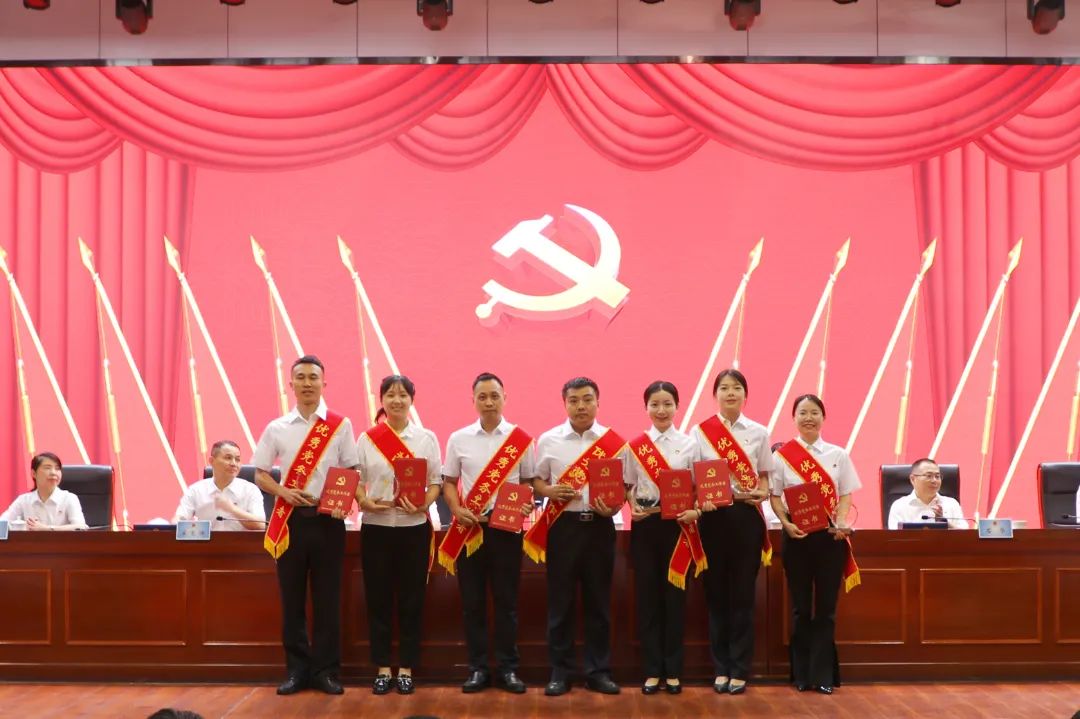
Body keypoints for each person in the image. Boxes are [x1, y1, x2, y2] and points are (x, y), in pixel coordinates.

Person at [253, 355, 359, 697]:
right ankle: (297, 671)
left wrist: (343, 499)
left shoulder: (340, 425)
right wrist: (283, 491)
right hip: (291, 523)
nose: (307, 383)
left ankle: (326, 671)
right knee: (292, 599)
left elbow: (352, 469)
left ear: (324, 383)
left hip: (329, 522)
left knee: (328, 600)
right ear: (291, 384)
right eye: (301, 377)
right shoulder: (277, 427)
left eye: (314, 377)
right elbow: (260, 473)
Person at [526, 377, 625, 697]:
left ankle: (599, 672)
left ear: (598, 402)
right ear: (565, 403)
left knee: (599, 603)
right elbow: (536, 481)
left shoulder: (614, 443)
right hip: (563, 527)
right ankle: (561, 672)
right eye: (574, 400)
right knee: (561, 603)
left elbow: (624, 487)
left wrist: (614, 506)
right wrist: (549, 491)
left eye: (587, 399)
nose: (581, 406)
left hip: (599, 527)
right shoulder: (549, 440)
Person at [439, 372, 536, 695]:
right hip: (472, 529)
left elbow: (528, 482)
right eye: (482, 397)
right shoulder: (459, 438)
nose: (489, 402)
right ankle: (478, 668)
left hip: (507, 530)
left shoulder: (521, 440)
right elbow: (449, 482)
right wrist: (455, 509)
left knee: (507, 602)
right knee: (473, 603)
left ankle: (508, 669)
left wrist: (526, 502)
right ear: (473, 401)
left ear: (505, 398)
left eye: (495, 396)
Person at [355, 374, 442, 696]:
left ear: (411, 400)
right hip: (376, 528)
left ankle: (406, 668)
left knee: (411, 600)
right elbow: (356, 480)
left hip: (413, 529)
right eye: (390, 395)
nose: (396, 400)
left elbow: (435, 482)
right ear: (381, 400)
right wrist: (363, 501)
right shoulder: (367, 439)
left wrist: (424, 503)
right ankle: (382, 668)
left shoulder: (426, 438)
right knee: (377, 599)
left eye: (403, 395)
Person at [769, 394, 861, 695]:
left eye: (814, 412)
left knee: (826, 608)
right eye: (803, 413)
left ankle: (823, 675)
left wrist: (841, 519)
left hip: (829, 538)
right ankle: (801, 674)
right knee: (800, 608)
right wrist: (786, 523)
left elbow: (845, 492)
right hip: (797, 537)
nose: (808, 418)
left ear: (823, 417)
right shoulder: (782, 456)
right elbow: (775, 496)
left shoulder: (838, 455)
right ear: (793, 418)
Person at [692, 369, 772, 695]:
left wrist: (761, 492)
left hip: (745, 518)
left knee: (742, 596)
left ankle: (740, 668)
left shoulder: (759, 432)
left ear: (744, 394)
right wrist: (702, 498)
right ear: (715, 395)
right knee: (716, 596)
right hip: (713, 519)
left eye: (736, 387)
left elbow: (765, 477)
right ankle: (721, 667)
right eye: (724, 388)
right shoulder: (700, 432)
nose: (730, 393)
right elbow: (694, 479)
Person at [625, 381, 703, 696]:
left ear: (677, 407)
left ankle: (673, 671)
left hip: (678, 528)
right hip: (646, 526)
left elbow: (700, 488)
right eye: (655, 404)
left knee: (675, 601)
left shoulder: (690, 445)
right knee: (648, 600)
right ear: (646, 407)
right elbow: (628, 486)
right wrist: (631, 505)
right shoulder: (635, 446)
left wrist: (696, 511)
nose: (661, 410)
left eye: (667, 403)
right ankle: (651, 670)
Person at [172, 440, 266, 530]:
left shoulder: (250, 490)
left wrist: (232, 509)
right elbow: (180, 518)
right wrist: (175, 524)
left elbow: (261, 525)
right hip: (207, 541)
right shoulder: (196, 490)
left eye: (237, 459)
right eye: (228, 458)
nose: (234, 463)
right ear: (212, 461)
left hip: (241, 541)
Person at [1, 452, 87, 530]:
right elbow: (2, 523)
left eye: (57, 469)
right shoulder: (24, 500)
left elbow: (81, 527)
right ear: (34, 473)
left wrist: (47, 529)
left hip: (62, 543)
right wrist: (19, 527)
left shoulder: (69, 498)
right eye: (47, 468)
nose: (53, 473)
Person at [887, 458, 967, 529]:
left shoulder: (951, 504)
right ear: (913, 479)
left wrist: (945, 523)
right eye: (929, 476)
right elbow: (895, 538)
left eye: (937, 476)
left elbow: (965, 535)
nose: (934, 480)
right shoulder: (899, 506)